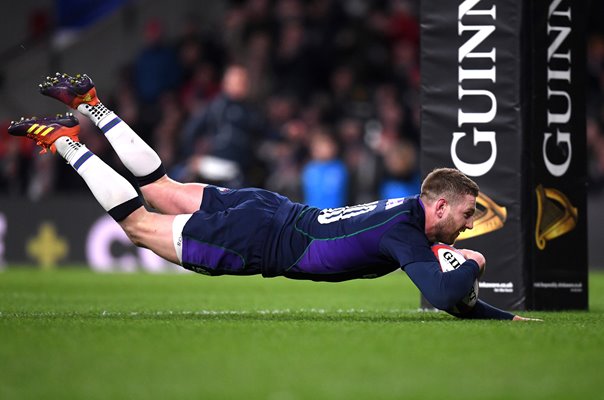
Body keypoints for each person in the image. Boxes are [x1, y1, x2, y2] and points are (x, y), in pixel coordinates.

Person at [9, 72, 538, 321]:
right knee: (138, 225)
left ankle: (92, 104)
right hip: (260, 239)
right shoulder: (406, 233)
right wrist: (473, 264)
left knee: (160, 188)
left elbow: (451, 298)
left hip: (270, 208)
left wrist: (501, 316)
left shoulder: (403, 217)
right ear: (439, 205)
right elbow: (446, 297)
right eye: (468, 215)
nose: (469, 225)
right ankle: (64, 142)